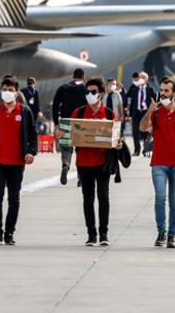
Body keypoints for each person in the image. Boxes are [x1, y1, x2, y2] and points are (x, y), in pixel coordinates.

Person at [0, 77, 37, 245]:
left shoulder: (25, 112)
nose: (7, 93)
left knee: (14, 198)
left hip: (17, 162)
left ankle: (9, 233)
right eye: (4, 89)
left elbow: (33, 135)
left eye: (10, 90)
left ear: (17, 93)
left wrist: (32, 152)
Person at [139, 77, 175, 248]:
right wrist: (150, 109)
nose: (162, 94)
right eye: (161, 90)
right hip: (158, 163)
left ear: (174, 93)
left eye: (166, 91)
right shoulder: (156, 113)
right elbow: (143, 127)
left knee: (174, 201)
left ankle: (172, 234)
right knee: (160, 197)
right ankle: (161, 231)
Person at [71, 78, 122, 246]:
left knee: (103, 197)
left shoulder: (109, 114)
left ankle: (104, 234)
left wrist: (118, 143)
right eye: (87, 92)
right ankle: (91, 234)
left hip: (102, 162)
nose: (89, 95)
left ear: (100, 94)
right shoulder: (78, 113)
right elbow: (69, 137)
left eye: (93, 92)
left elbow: (116, 138)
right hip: (83, 162)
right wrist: (62, 135)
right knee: (87, 198)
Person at [52, 68, 87, 185]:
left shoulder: (63, 88)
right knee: (81, 151)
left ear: (72, 77)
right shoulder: (86, 89)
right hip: (82, 123)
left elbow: (55, 105)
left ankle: (65, 166)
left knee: (67, 149)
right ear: (83, 77)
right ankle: (81, 178)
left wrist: (56, 123)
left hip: (66, 122)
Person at [128, 72, 156, 156]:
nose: (141, 79)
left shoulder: (150, 90)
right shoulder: (135, 89)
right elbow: (132, 102)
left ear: (146, 79)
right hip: (136, 113)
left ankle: (145, 149)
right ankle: (137, 150)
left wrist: (152, 114)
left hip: (146, 113)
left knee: (145, 133)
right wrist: (130, 115)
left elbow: (153, 102)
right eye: (140, 77)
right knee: (135, 132)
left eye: (143, 78)